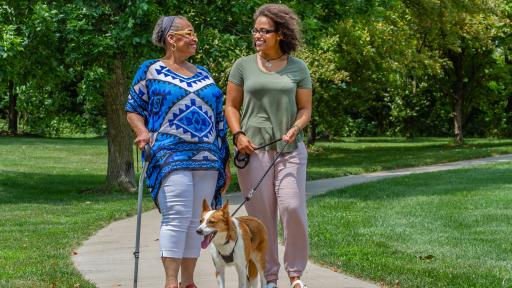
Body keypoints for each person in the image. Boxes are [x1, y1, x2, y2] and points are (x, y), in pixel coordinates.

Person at [125, 15, 230, 288]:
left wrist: (225, 161)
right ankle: (171, 282)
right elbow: (134, 109)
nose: (195, 38)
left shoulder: (204, 73)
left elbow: (219, 119)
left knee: (199, 220)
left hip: (208, 157)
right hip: (170, 154)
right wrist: (142, 132)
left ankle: (188, 282)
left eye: (195, 33)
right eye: (189, 33)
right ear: (172, 39)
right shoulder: (151, 70)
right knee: (177, 216)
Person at [225, 4, 312, 288]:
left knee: (293, 208)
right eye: (256, 30)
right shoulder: (243, 65)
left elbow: (305, 110)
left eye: (264, 31)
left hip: (290, 150)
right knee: (261, 218)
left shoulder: (298, 68)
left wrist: (295, 128)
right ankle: (269, 277)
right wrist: (238, 135)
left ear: (280, 34)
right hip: (253, 152)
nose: (257, 35)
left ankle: (296, 274)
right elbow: (231, 105)